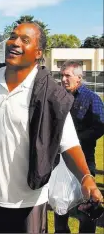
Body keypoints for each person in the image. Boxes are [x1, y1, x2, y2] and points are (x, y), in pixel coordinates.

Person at [0, 22, 103, 233]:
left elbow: (68, 144)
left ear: (38, 53)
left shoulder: (51, 94)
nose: (15, 43)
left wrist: (86, 178)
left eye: (25, 40)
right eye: (13, 37)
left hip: (28, 204)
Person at [54, 60, 104, 233]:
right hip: (59, 162)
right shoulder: (58, 98)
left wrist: (72, 142)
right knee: (61, 207)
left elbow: (99, 127)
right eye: (61, 75)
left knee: (86, 209)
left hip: (84, 160)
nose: (63, 79)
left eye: (68, 75)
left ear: (79, 78)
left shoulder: (92, 99)